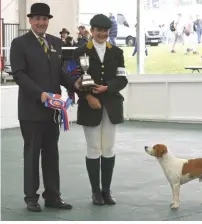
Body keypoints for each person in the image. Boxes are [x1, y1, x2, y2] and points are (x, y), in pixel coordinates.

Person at [10, 2, 81, 212]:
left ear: (48, 21)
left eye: (45, 19)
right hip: (31, 110)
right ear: (30, 20)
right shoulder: (19, 43)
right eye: (37, 19)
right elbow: (19, 74)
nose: (41, 22)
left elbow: (59, 72)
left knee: (52, 154)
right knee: (32, 154)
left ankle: (53, 196)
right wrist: (39, 94)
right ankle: (31, 197)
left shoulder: (56, 42)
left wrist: (75, 85)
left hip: (52, 111)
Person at [73, 14, 128, 205]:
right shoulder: (80, 51)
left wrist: (108, 88)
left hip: (111, 105)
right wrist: (88, 96)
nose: (102, 34)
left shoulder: (117, 52)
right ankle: (95, 192)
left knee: (109, 148)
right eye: (99, 30)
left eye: (105, 30)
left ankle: (106, 190)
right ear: (92, 30)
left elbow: (122, 79)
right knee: (94, 147)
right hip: (90, 106)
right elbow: (76, 82)